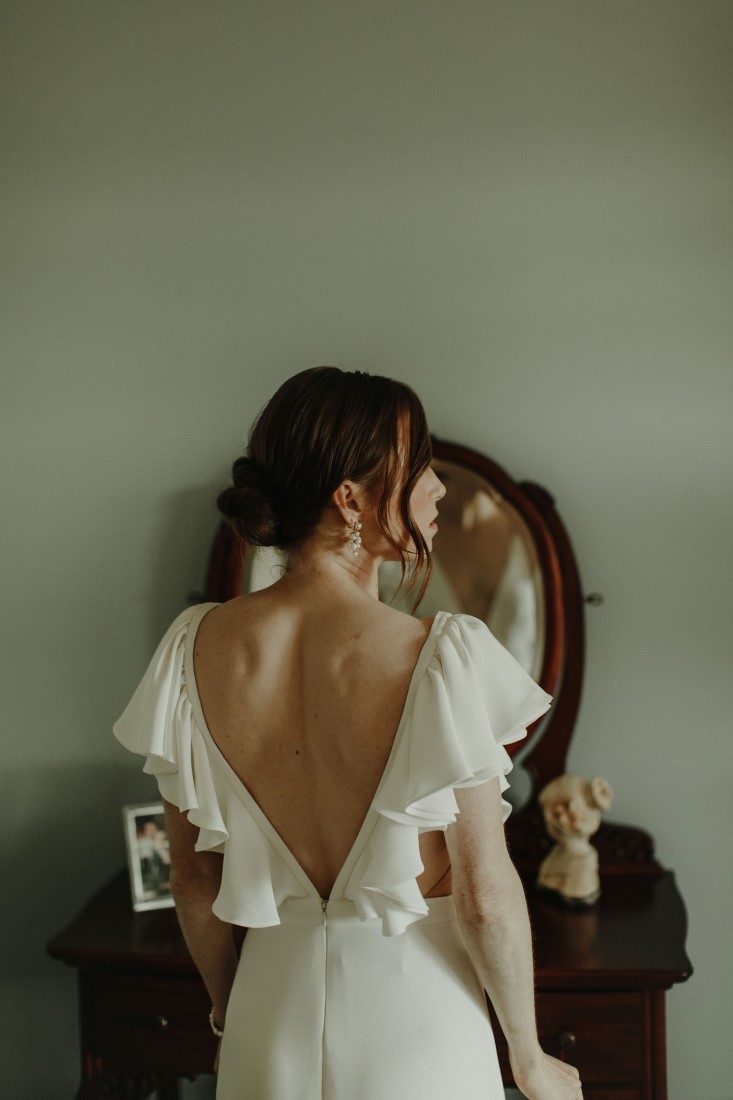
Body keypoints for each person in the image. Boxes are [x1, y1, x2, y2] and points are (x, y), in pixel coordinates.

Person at [114, 367, 583, 1100]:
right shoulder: (441, 656)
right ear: (349, 497)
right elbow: (484, 896)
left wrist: (230, 1010)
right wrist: (527, 1056)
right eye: (418, 466)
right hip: (419, 1020)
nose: (437, 488)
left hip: (268, 1019)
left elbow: (194, 883)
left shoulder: (191, 646)